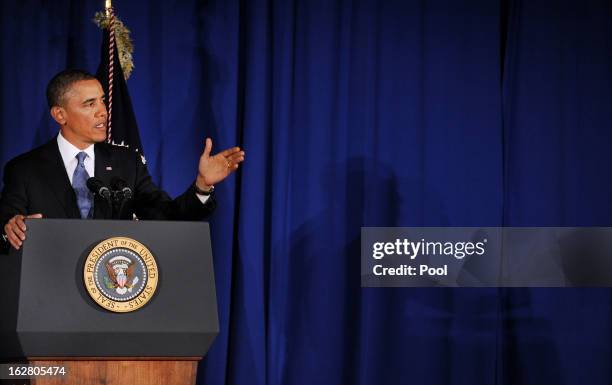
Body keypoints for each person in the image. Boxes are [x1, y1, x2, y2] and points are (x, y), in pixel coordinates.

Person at [0, 69, 245, 252]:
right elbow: (8, 219)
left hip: (113, 292)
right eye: (89, 104)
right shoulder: (24, 169)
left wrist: (202, 185)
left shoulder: (127, 162)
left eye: (103, 101)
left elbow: (167, 216)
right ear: (60, 114)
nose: (103, 111)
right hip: (50, 294)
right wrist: (11, 226)